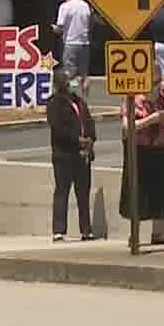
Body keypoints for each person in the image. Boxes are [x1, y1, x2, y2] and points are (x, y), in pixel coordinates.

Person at [122, 61, 164, 239]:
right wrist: (152, 119)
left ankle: (159, 234)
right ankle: (134, 235)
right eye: (155, 82)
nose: (159, 86)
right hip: (139, 149)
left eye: (160, 82)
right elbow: (127, 127)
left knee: (160, 191)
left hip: (160, 148)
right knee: (137, 191)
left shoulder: (163, 97)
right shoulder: (134, 97)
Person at [47, 64, 98, 242]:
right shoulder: (54, 103)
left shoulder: (78, 101)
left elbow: (89, 122)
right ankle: (59, 230)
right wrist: (77, 140)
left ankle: (86, 230)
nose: (71, 83)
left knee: (83, 193)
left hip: (83, 156)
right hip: (64, 155)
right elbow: (58, 129)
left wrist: (90, 139)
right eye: (68, 80)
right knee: (62, 191)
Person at [53, 0, 93, 98]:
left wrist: (54, 29)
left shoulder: (65, 6)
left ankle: (72, 98)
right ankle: (85, 100)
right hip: (85, 43)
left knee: (70, 74)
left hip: (70, 43)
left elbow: (60, 27)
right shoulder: (85, 5)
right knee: (84, 75)